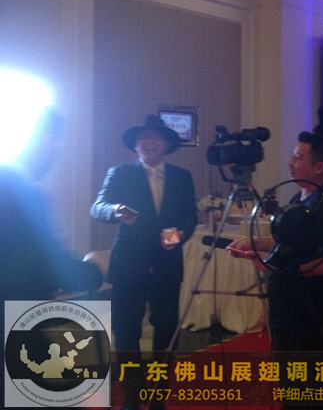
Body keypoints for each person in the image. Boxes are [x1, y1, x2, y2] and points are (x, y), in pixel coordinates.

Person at [0, 70, 103, 405]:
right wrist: (94, 268)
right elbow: (49, 267)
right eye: (56, 142)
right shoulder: (22, 190)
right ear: (41, 137)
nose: (57, 152)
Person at [228, 131, 323, 351]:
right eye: (292, 156)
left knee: (300, 367)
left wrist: (268, 264)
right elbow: (285, 241)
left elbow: (322, 265)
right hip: (286, 303)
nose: (291, 162)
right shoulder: (300, 197)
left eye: (298, 157)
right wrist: (253, 243)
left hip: (305, 306)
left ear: (319, 167)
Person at [90, 115, 197, 352]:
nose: (150, 142)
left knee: (167, 324)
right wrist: (114, 210)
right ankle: (131, 376)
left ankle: (162, 375)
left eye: (156, 137)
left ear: (166, 144)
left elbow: (189, 217)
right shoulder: (120, 173)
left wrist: (177, 236)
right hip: (129, 261)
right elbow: (97, 207)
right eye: (145, 137)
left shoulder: (181, 176)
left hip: (167, 261)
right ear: (136, 143)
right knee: (126, 325)